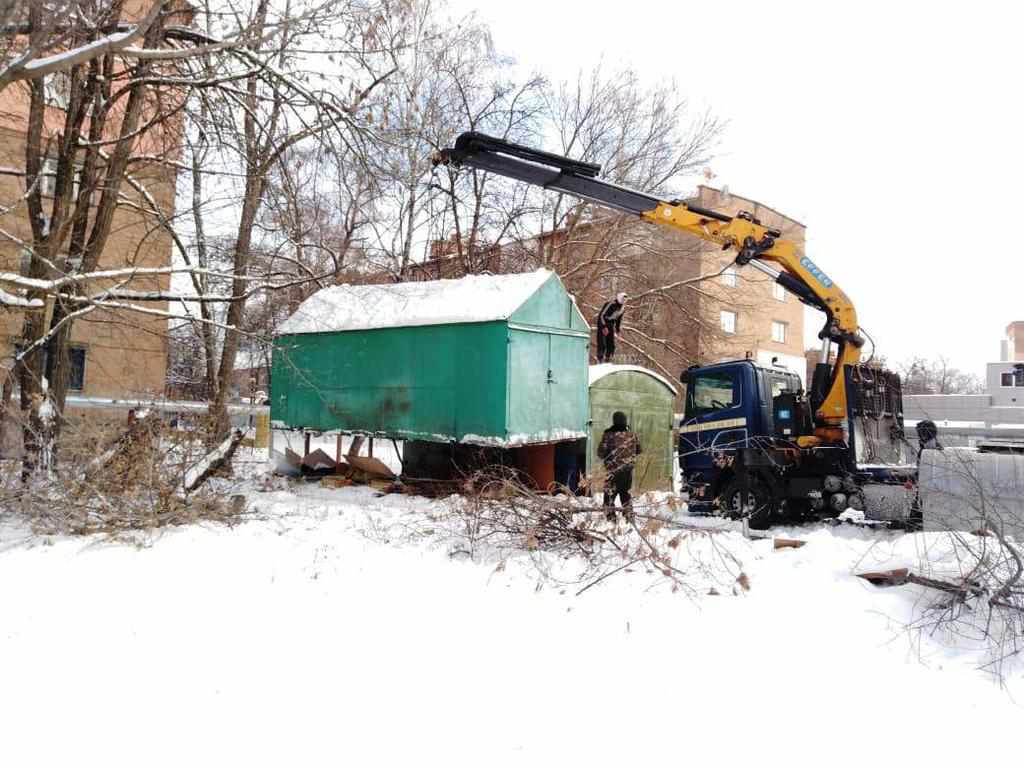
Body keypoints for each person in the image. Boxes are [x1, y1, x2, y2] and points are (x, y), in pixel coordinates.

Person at [597, 411, 642, 523]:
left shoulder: (608, 435)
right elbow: (639, 450)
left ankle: (611, 520)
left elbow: (601, 453)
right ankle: (629, 517)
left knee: (609, 495)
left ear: (614, 420)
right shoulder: (632, 435)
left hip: (613, 471)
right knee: (625, 493)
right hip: (627, 470)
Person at [595, 292, 627, 363]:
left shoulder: (622, 308)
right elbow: (602, 315)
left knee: (611, 344)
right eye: (622, 299)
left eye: (625, 300)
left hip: (611, 325)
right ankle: (600, 359)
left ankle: (608, 359)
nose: (623, 301)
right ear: (619, 298)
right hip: (603, 323)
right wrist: (603, 326)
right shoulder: (611, 304)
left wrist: (617, 330)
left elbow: (619, 319)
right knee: (602, 343)